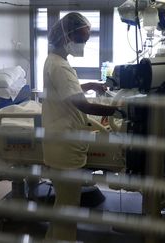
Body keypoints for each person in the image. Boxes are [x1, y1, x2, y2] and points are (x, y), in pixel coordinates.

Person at [42, 12, 118, 242]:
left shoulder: (54, 60)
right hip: (64, 146)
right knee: (68, 208)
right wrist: (114, 108)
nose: (83, 44)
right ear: (67, 35)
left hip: (57, 142)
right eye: (82, 39)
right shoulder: (61, 67)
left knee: (62, 204)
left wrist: (89, 84)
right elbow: (81, 105)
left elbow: (66, 90)